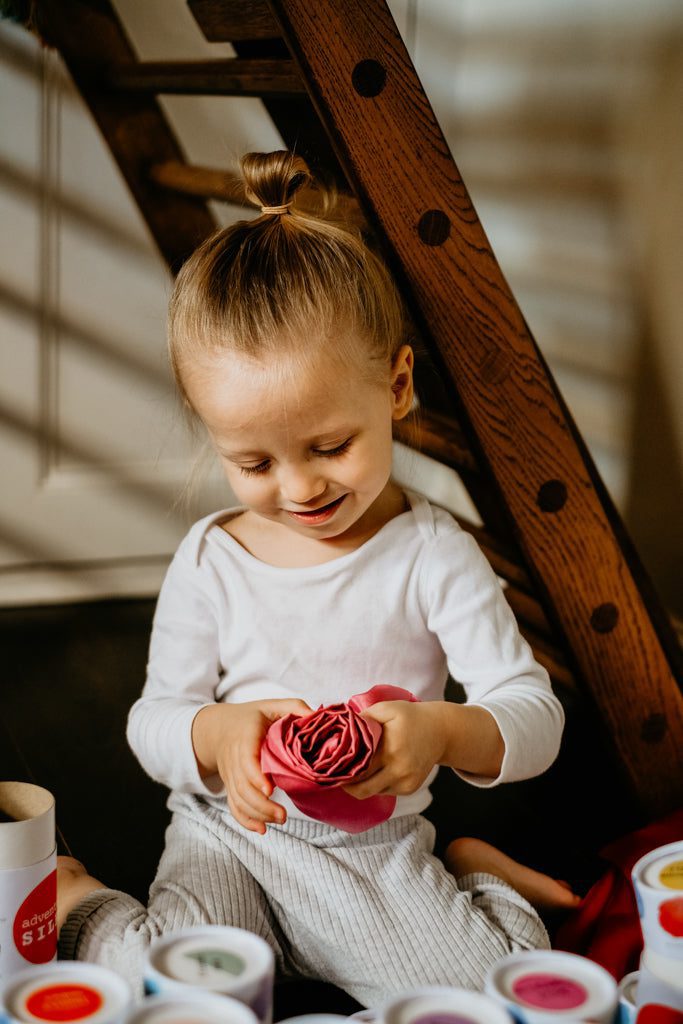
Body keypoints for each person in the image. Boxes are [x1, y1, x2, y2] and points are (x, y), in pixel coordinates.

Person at [57, 150, 579, 1007]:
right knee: (171, 997)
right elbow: (152, 721)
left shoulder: (430, 553)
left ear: (396, 385)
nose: (299, 488)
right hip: (230, 836)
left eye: (330, 447)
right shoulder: (211, 559)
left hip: (370, 855)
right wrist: (217, 737)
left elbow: (533, 716)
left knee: (491, 996)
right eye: (253, 460)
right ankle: (84, 905)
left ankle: (477, 879)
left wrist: (442, 732)